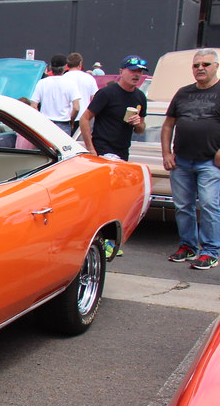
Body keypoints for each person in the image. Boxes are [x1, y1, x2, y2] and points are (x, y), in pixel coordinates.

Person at [161, 48, 220, 270]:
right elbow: (168, 125)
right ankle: (188, 246)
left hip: (210, 162)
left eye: (205, 64)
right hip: (182, 162)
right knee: (182, 206)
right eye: (196, 65)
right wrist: (166, 153)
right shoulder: (183, 93)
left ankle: (210, 252)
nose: (200, 69)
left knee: (209, 205)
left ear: (216, 66)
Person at [79, 55, 148, 160]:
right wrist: (90, 149)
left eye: (140, 71)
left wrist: (138, 124)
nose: (136, 75)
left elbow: (140, 129)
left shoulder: (140, 97)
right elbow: (84, 118)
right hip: (102, 150)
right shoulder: (107, 93)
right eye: (133, 71)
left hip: (123, 151)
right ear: (121, 72)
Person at [30, 54, 80, 134]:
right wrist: (71, 121)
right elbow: (76, 107)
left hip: (45, 123)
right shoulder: (71, 83)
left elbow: (33, 105)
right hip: (63, 124)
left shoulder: (42, 83)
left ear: (51, 66)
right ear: (65, 67)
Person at [61, 52, 99, 125]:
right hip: (84, 117)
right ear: (80, 64)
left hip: (66, 118)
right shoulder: (89, 78)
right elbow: (96, 99)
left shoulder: (63, 78)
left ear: (67, 64)